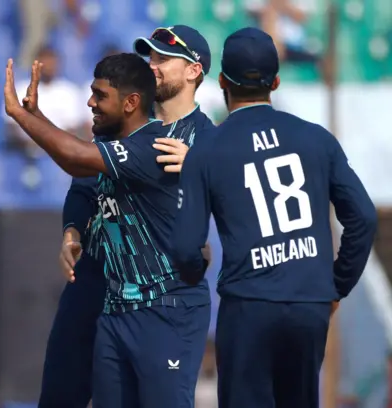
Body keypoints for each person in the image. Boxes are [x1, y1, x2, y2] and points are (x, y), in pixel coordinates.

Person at [171, 27, 377, 408]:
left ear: (221, 83)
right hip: (308, 304)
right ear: (276, 82)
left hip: (249, 306)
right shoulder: (317, 139)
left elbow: (186, 247)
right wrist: (336, 284)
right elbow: (363, 217)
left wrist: (192, 272)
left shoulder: (207, 149)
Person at [6, 53, 211, 407]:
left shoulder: (155, 146)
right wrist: (73, 231)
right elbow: (81, 177)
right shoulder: (110, 144)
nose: (90, 102)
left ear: (131, 102)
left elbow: (74, 157)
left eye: (99, 95)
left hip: (162, 306)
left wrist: (22, 116)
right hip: (116, 306)